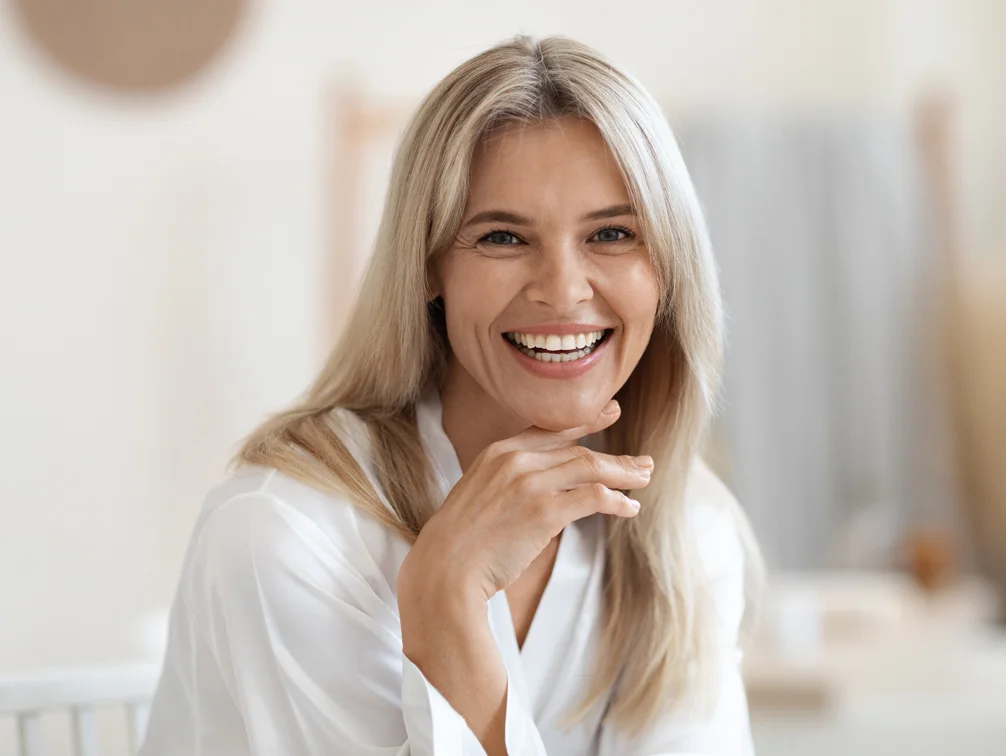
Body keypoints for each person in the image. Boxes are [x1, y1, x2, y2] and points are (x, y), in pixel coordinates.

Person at [140, 34, 764, 756]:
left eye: (613, 233)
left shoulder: (683, 529)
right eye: (502, 238)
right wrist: (444, 606)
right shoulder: (286, 538)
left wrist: (448, 610)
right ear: (429, 265)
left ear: (669, 271)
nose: (563, 290)